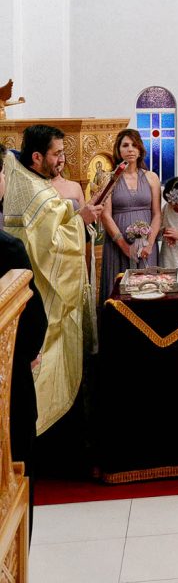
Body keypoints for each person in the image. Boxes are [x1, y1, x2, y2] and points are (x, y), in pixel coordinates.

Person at [2, 125, 102, 437]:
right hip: (44, 293)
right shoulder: (37, 192)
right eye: (56, 153)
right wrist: (81, 222)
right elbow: (49, 246)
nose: (62, 159)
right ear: (37, 157)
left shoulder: (26, 178)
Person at [0, 143, 47, 539]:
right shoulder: (7, 249)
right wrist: (30, 353)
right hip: (8, 387)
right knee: (14, 476)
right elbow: (33, 320)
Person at [99, 128, 161, 303]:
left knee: (147, 291)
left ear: (140, 149)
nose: (130, 149)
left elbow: (157, 214)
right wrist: (125, 246)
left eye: (134, 145)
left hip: (147, 247)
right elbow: (105, 216)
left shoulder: (152, 177)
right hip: (117, 246)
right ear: (118, 150)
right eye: (125, 145)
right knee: (119, 293)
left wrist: (149, 244)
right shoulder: (109, 178)